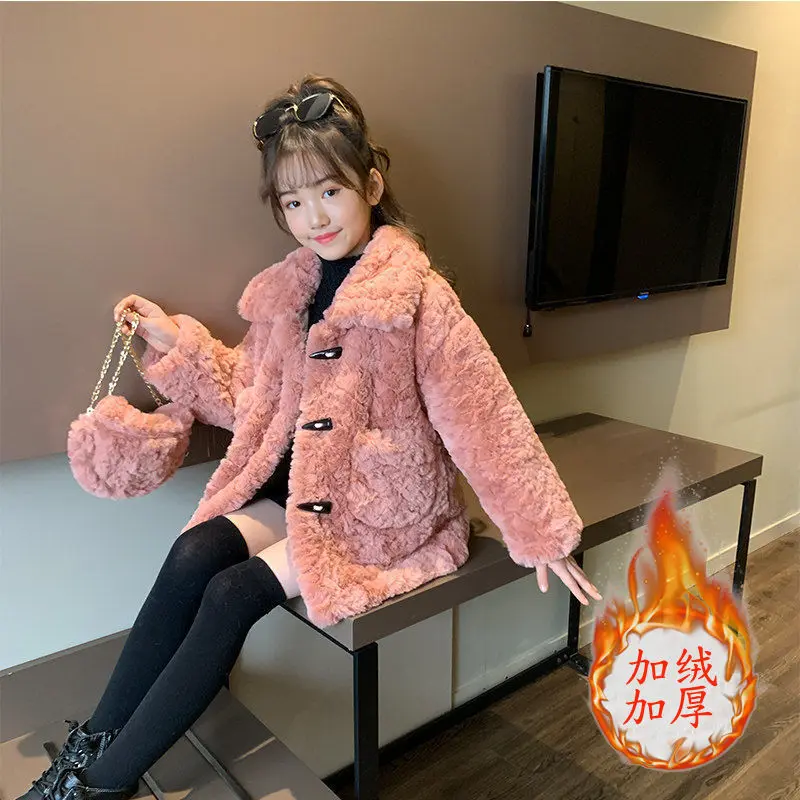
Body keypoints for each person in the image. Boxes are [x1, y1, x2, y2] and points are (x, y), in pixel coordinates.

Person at [20, 74, 601, 800]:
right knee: (194, 552)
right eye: (293, 202)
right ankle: (90, 744)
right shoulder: (289, 293)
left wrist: (541, 530)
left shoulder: (418, 297)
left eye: (329, 191)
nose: (314, 217)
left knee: (233, 594)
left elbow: (482, 414)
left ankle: (102, 784)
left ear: (371, 185)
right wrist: (175, 344)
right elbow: (252, 395)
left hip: (380, 514)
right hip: (298, 495)